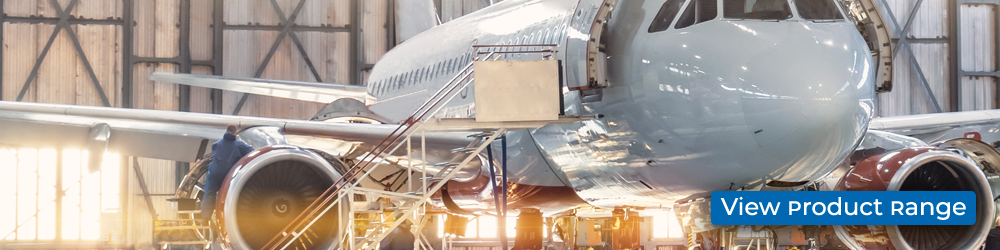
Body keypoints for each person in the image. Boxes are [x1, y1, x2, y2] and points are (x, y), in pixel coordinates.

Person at [202, 125, 254, 220]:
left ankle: (205, 218)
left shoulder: (216, 144)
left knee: (209, 194)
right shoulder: (240, 145)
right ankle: (231, 218)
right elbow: (252, 153)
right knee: (233, 195)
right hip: (229, 175)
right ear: (236, 133)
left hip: (215, 173)